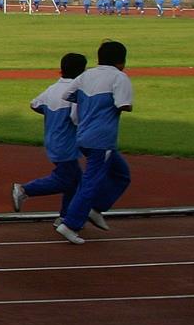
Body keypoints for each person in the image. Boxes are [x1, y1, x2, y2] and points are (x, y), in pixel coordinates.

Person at [55, 40, 134, 245]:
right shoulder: (119, 77)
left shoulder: (86, 75)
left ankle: (96, 207)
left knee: (121, 174)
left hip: (83, 136)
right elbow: (125, 105)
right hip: (102, 139)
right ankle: (70, 223)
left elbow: (67, 95)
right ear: (121, 61)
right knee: (91, 181)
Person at [11, 52, 88, 214]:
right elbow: (76, 119)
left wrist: (53, 116)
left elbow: (35, 104)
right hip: (66, 143)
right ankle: (25, 190)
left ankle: (66, 217)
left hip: (53, 139)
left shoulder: (53, 88)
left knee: (74, 180)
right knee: (67, 180)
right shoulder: (75, 91)